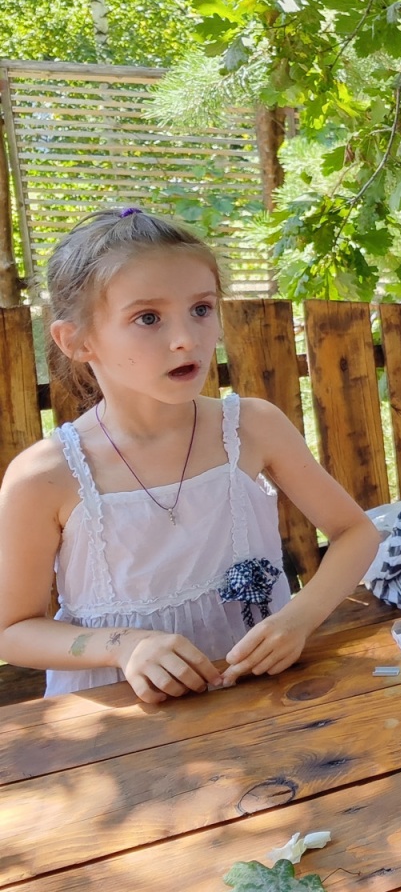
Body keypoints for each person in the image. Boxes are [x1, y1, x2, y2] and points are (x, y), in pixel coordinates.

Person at [0, 208, 379, 703]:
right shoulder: (46, 475)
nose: (186, 339)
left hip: (263, 695)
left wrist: (299, 619)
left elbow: (355, 532)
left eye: (201, 308)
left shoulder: (252, 427)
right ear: (77, 341)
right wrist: (124, 647)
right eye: (148, 318)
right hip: (122, 718)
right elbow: (13, 630)